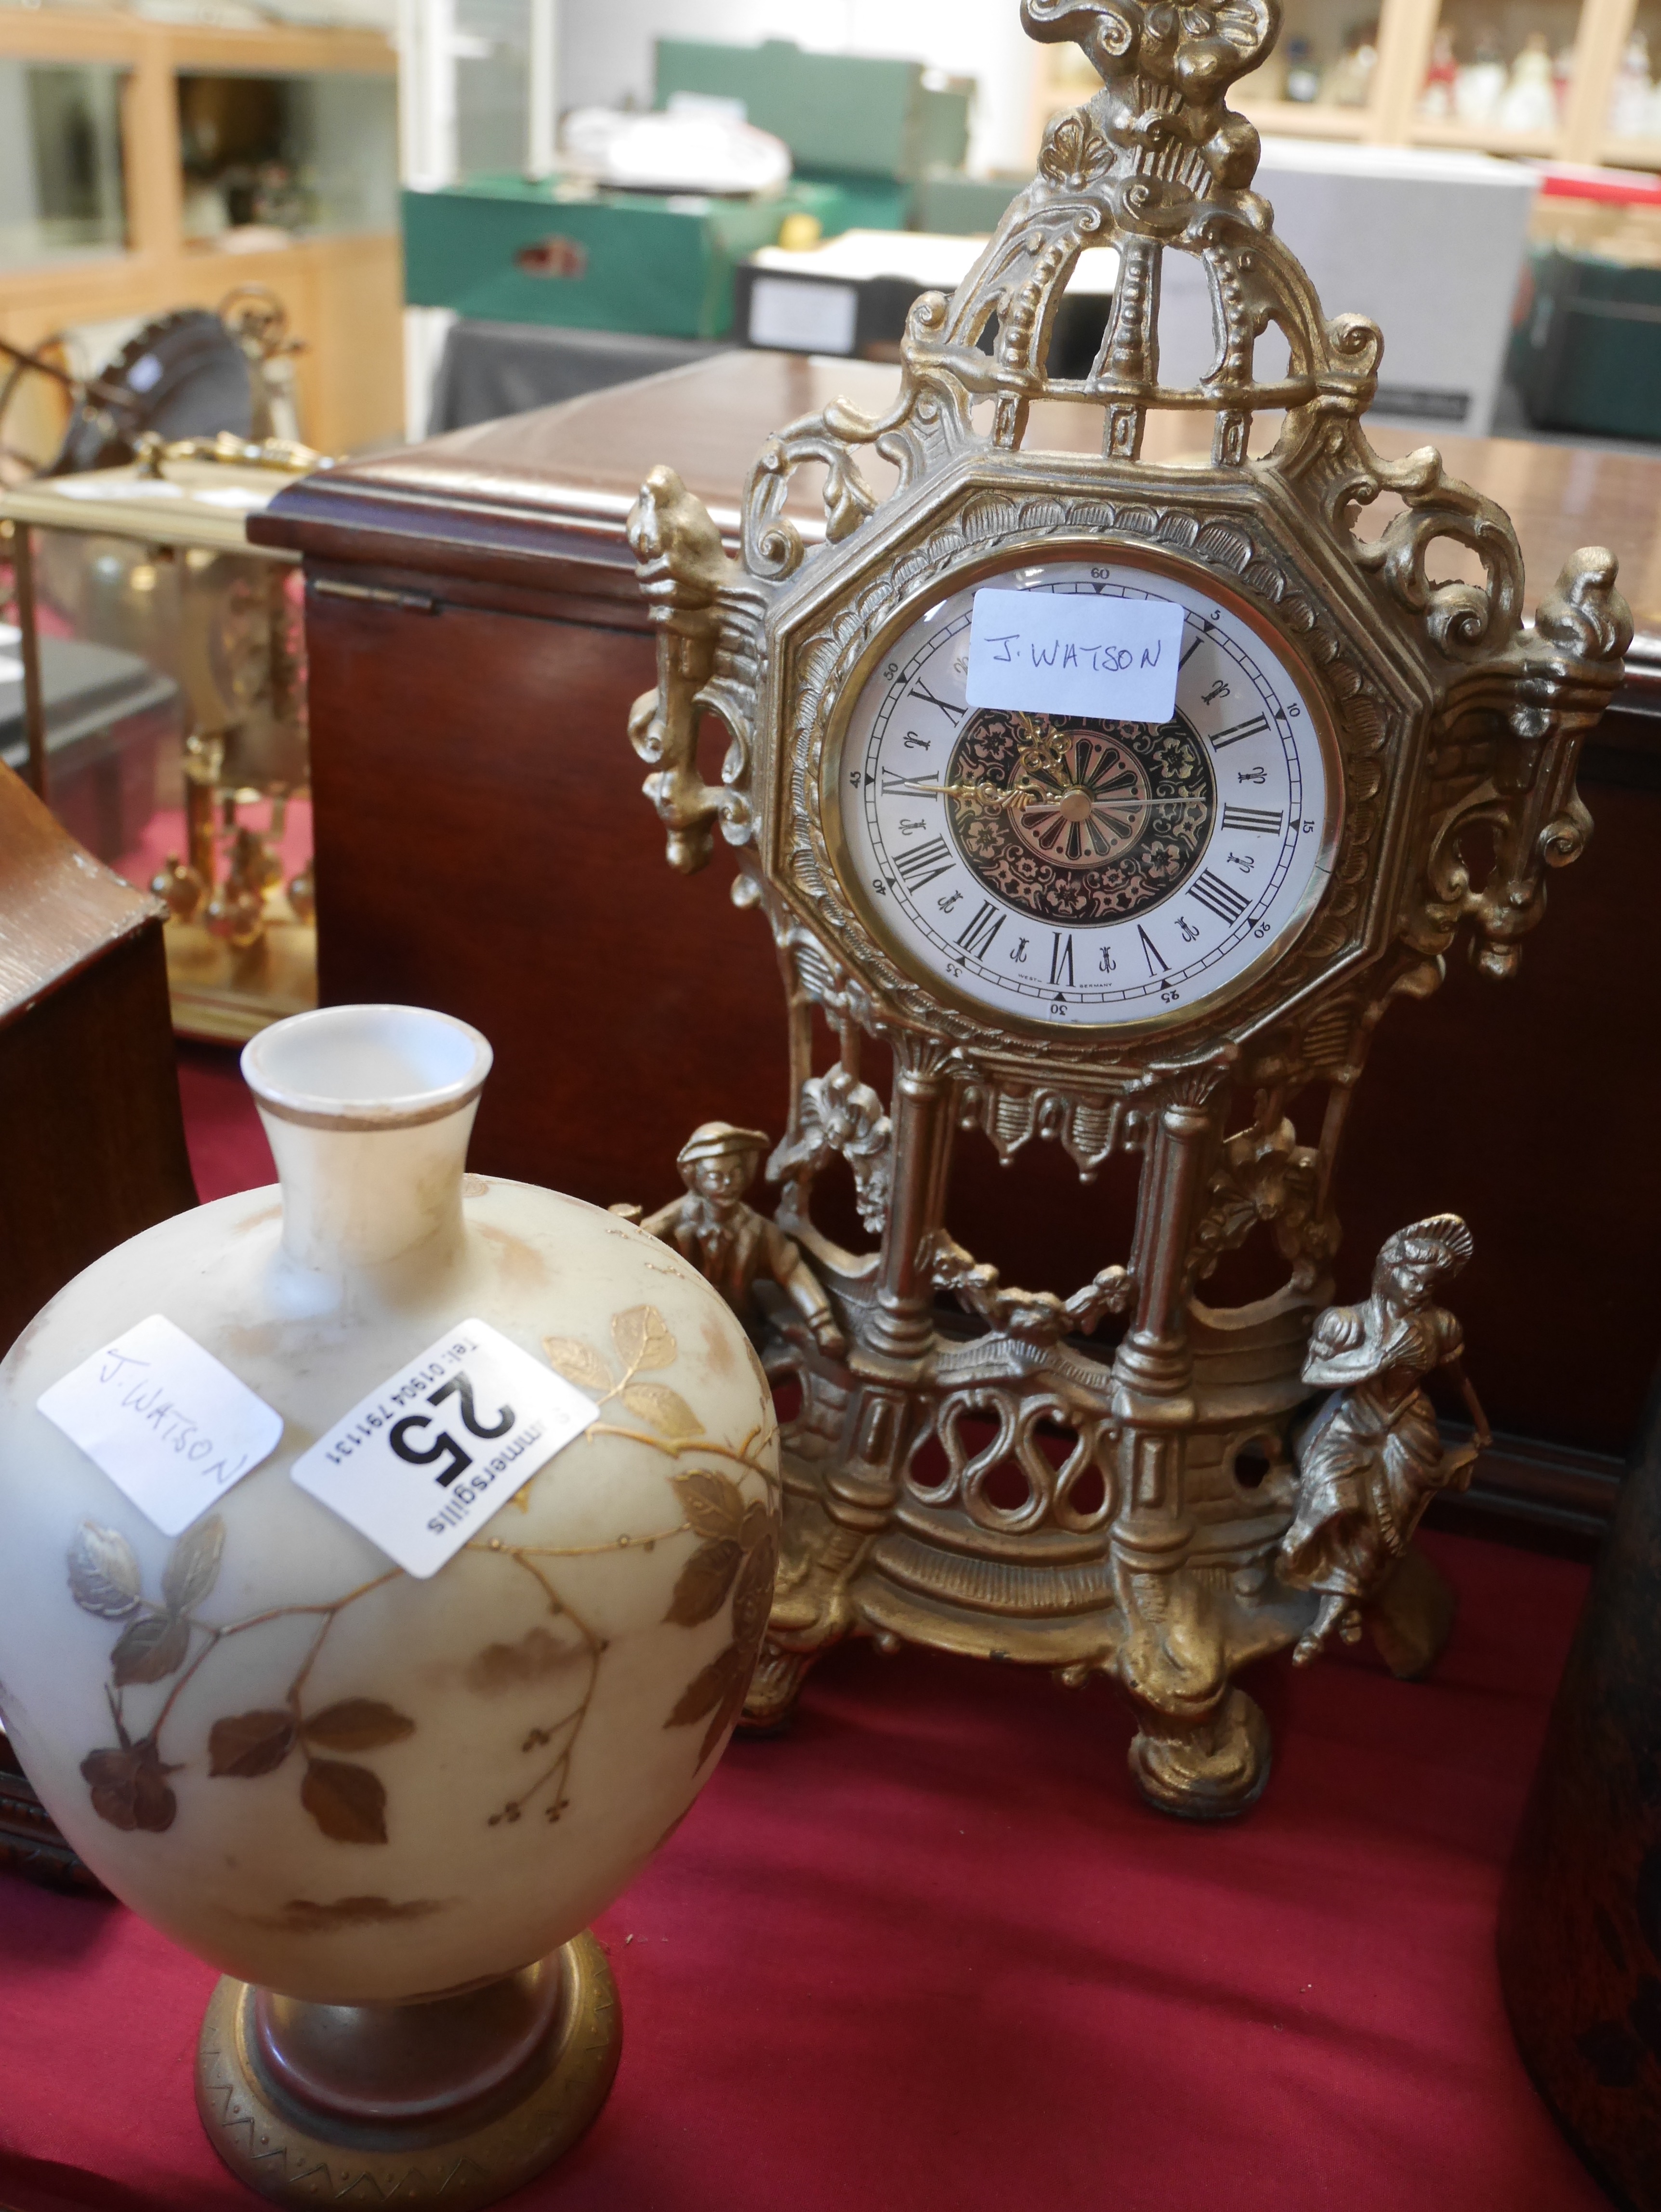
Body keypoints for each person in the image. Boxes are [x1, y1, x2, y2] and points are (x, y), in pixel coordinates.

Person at [1278, 1214, 1491, 1664]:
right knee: (1334, 1496)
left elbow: (1459, 1379)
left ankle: (1332, 1616)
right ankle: (1299, 1553)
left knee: (1379, 1528)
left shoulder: (1441, 1326)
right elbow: (1314, 1374)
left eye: (1430, 1283)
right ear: (1390, 1270)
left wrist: (1483, 1427)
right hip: (1352, 1416)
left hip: (1407, 1424)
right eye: (1413, 1276)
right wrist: (1373, 1360)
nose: (1420, 1289)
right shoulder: (1347, 1323)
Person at [644, 1123, 845, 1355]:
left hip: (739, 1333)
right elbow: (639, 1238)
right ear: (695, 1179)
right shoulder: (677, 1220)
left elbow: (792, 1271)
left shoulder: (758, 1230)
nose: (728, 1184)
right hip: (678, 1328)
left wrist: (824, 1326)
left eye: (735, 1173)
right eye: (715, 1177)